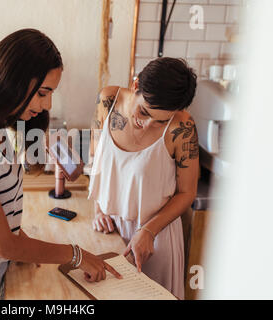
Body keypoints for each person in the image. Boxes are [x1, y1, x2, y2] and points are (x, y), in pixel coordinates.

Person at [0, 28, 121, 300]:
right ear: (13, 81)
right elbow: (2, 245)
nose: (47, 103)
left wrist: (24, 245)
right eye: (43, 92)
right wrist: (76, 255)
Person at [89, 57, 199, 299]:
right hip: (109, 231)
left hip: (157, 238)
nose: (147, 124)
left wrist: (148, 231)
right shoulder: (108, 100)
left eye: (160, 121)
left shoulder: (182, 126)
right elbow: (97, 158)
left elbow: (187, 192)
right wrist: (100, 208)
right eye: (144, 112)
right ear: (135, 84)